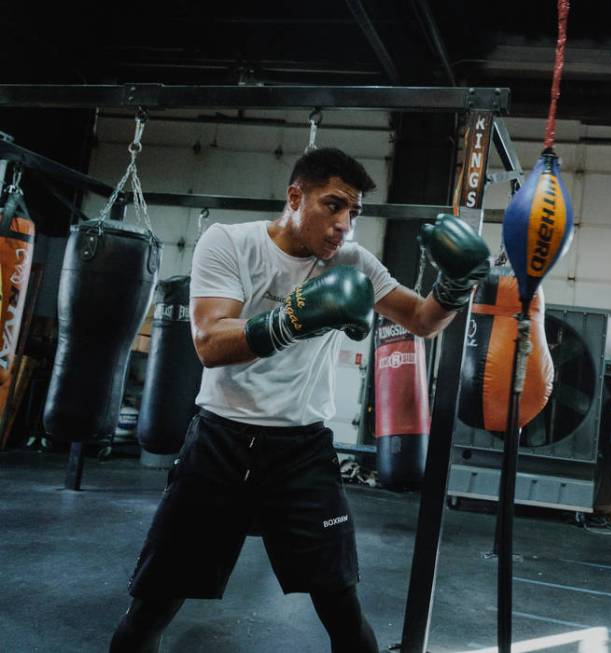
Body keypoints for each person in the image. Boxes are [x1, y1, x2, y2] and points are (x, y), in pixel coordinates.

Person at [110, 146, 490, 652]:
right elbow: (209, 343)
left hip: (302, 452)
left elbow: (421, 320)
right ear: (295, 197)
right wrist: (291, 319)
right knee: (152, 606)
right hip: (221, 441)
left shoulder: (352, 261)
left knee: (343, 608)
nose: (344, 226)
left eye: (352, 213)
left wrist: (454, 287)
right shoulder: (230, 243)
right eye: (333, 206)